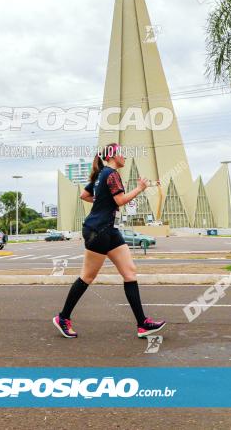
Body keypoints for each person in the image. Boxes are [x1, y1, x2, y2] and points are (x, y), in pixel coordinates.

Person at [53, 143, 166, 339]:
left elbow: (85, 195)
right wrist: (140, 188)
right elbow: (120, 201)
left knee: (129, 272)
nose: (124, 156)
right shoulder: (111, 174)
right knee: (87, 277)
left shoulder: (101, 175)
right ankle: (63, 318)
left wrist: (102, 203)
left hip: (109, 230)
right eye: (121, 153)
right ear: (112, 156)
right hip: (98, 231)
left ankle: (142, 324)